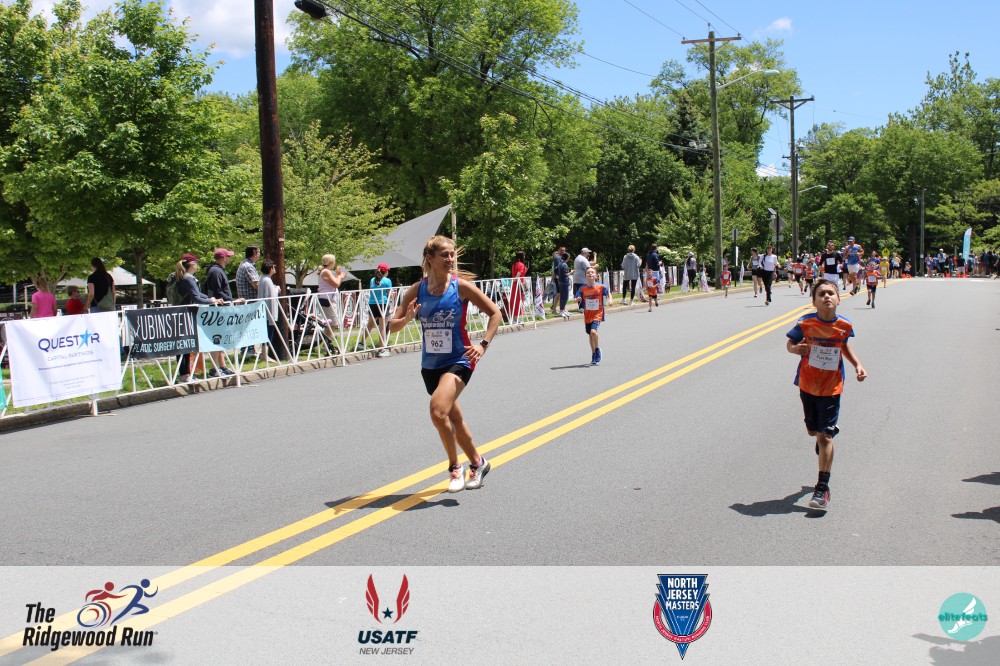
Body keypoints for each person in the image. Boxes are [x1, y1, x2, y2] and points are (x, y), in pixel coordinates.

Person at [388, 235, 501, 493]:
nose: (450, 259)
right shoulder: (417, 289)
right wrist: (407, 318)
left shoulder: (460, 287)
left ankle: (454, 468)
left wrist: (483, 344)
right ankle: (478, 463)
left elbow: (495, 313)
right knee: (454, 418)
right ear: (430, 258)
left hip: (460, 359)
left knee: (438, 411)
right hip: (431, 365)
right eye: (445, 255)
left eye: (452, 254)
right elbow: (392, 326)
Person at [786, 278, 867, 511]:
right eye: (821, 294)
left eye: (831, 293)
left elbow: (844, 346)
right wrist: (796, 349)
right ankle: (822, 433)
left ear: (839, 299)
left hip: (832, 387)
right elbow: (790, 343)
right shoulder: (805, 323)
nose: (827, 297)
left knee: (825, 437)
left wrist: (858, 365)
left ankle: (822, 488)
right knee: (813, 431)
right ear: (814, 302)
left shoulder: (844, 325)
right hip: (807, 384)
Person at [174, 254, 225, 381]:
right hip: (187, 314)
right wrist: (211, 301)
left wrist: (210, 298)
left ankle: (186, 373)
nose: (197, 265)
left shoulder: (184, 278)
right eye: (196, 263)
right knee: (185, 346)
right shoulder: (188, 279)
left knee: (185, 345)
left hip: (183, 313)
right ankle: (185, 374)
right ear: (191, 265)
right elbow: (196, 298)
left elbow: (197, 294)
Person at [577, 267, 612, 364]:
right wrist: (578, 299)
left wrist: (610, 300)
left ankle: (597, 350)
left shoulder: (600, 287)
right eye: (588, 272)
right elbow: (578, 296)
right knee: (590, 335)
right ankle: (593, 354)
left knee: (593, 332)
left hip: (598, 313)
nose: (590, 274)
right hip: (588, 314)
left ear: (596, 276)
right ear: (585, 276)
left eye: (592, 272)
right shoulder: (582, 288)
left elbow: (608, 293)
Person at [257, 259, 283, 360]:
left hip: (264, 310)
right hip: (268, 311)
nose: (274, 268)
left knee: (266, 332)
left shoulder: (263, 278)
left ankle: (264, 354)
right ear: (270, 268)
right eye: (273, 267)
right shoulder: (267, 280)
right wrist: (276, 289)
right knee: (268, 332)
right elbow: (271, 296)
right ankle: (264, 355)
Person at [317, 253, 347, 335]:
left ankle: (325, 340)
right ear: (331, 262)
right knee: (333, 324)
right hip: (327, 300)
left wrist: (338, 276)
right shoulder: (326, 271)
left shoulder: (325, 271)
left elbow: (334, 283)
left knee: (332, 323)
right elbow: (336, 284)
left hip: (327, 299)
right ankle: (324, 341)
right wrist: (340, 276)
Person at [367, 263, 392, 357]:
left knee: (370, 325)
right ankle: (382, 349)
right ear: (386, 271)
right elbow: (389, 294)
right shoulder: (387, 281)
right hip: (382, 304)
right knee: (382, 327)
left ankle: (361, 343)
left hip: (372, 303)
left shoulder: (372, 280)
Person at [509, 251, 528, 322]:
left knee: (514, 301)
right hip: (519, 285)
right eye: (524, 255)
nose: (525, 257)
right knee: (518, 301)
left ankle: (514, 319)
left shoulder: (514, 265)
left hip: (514, 285)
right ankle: (516, 319)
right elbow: (518, 276)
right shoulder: (521, 265)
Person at [550, 246, 566, 315]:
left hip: (562, 277)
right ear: (558, 250)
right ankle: (555, 309)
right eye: (561, 250)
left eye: (564, 250)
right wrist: (556, 276)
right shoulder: (557, 258)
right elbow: (556, 269)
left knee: (561, 294)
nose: (563, 251)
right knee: (559, 294)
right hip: (559, 278)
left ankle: (562, 309)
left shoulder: (562, 257)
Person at [555, 251, 571, 318]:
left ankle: (563, 310)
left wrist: (557, 276)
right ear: (567, 258)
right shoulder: (565, 265)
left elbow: (555, 270)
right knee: (565, 297)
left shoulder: (560, 263)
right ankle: (561, 310)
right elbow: (565, 275)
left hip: (560, 282)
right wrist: (571, 272)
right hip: (564, 282)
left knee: (563, 297)